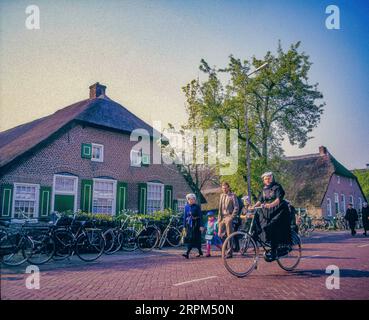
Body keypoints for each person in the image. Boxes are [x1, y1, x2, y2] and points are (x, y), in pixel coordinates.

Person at [250, 172, 291, 262]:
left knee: (272, 227)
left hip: (279, 210)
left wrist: (271, 204)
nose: (267, 180)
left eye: (269, 178)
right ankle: (268, 244)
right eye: (265, 179)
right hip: (268, 211)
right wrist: (253, 206)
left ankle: (274, 251)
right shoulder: (264, 189)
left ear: (272, 178)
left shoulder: (277, 187)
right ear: (263, 180)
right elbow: (260, 200)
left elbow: (279, 199)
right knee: (263, 226)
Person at [218, 182, 239, 258]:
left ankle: (229, 253)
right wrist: (219, 219)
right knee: (220, 234)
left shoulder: (233, 196)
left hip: (229, 216)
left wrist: (231, 217)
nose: (224, 189)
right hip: (222, 217)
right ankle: (227, 249)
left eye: (225, 188)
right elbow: (220, 209)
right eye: (223, 188)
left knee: (229, 235)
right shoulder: (221, 196)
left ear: (228, 188)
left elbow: (236, 207)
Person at [182, 193, 204, 259]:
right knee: (190, 238)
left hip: (196, 224)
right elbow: (185, 216)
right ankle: (200, 251)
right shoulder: (186, 207)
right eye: (190, 199)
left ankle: (187, 253)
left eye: (193, 199)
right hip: (189, 225)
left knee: (195, 238)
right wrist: (184, 226)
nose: (191, 200)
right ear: (187, 200)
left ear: (194, 200)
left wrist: (201, 225)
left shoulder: (197, 207)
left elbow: (200, 216)